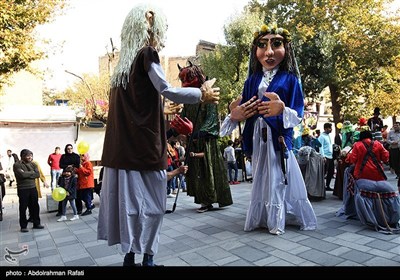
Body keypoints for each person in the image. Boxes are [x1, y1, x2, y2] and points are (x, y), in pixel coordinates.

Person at [97, 4, 220, 267]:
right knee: (153, 206)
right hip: (144, 150)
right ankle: (148, 260)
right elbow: (167, 88)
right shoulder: (146, 53)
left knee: (128, 208)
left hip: (121, 153)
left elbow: (136, 104)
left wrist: (160, 109)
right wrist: (201, 94)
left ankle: (130, 258)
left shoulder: (121, 67)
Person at [220, 22, 317, 235]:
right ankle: (262, 217)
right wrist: (235, 115)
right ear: (256, 50)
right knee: (261, 177)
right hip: (256, 136)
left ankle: (276, 220)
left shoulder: (290, 80)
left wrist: (282, 110)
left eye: (277, 44)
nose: (269, 51)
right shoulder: (252, 80)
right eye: (263, 45)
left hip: (277, 137)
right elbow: (243, 108)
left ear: (286, 49)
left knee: (277, 175)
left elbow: (298, 113)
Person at [178, 62, 233, 213]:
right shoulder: (188, 100)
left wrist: (198, 133)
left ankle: (208, 201)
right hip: (193, 140)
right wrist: (177, 129)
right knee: (196, 171)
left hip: (206, 141)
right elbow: (184, 117)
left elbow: (211, 120)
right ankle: (203, 199)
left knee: (206, 170)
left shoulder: (208, 97)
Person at [13, 149, 44, 232]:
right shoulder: (17, 165)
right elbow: (22, 175)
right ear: (22, 156)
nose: (30, 157)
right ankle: (23, 226)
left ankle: (36, 223)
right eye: (28, 155)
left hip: (33, 188)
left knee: (35, 206)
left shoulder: (33, 164)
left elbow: (37, 174)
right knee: (23, 207)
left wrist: (28, 173)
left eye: (31, 155)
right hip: (23, 189)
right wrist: (32, 173)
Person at [56, 144, 80, 216]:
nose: (69, 150)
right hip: (65, 175)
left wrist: (72, 167)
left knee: (75, 191)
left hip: (74, 175)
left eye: (71, 148)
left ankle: (78, 209)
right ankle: (60, 211)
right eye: (68, 149)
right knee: (62, 191)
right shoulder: (63, 156)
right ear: (66, 149)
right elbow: (60, 165)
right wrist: (67, 166)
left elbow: (78, 165)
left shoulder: (76, 156)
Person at [318, 123, 335, 191]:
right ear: (325, 128)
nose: (331, 129)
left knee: (331, 172)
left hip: (330, 156)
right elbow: (320, 147)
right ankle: (321, 186)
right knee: (323, 172)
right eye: (329, 128)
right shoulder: (321, 137)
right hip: (325, 157)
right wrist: (323, 156)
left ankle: (327, 185)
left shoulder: (329, 136)